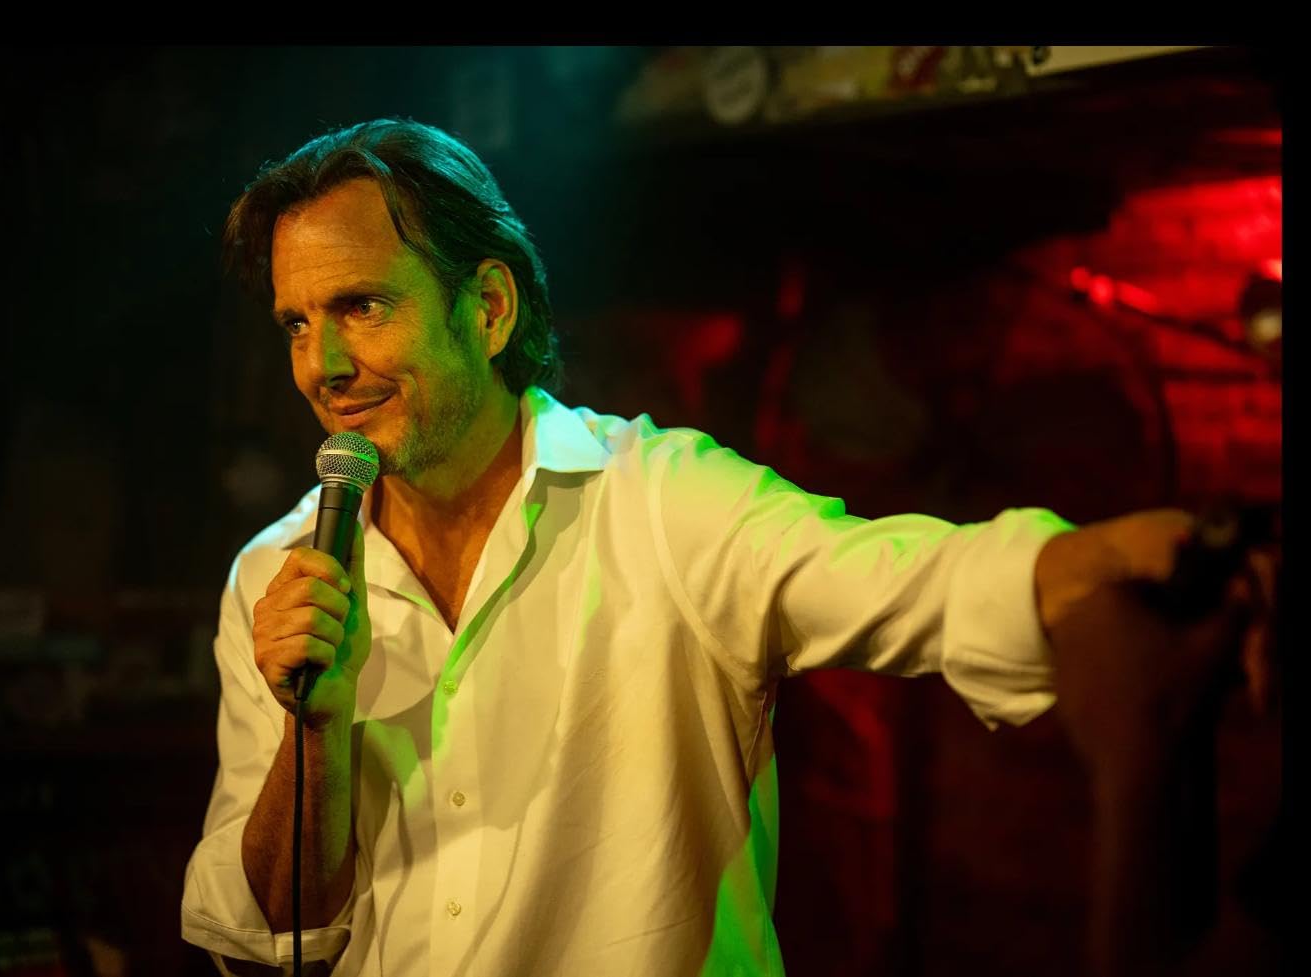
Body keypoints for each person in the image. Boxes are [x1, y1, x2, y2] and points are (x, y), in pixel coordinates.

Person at [180, 118, 1275, 977]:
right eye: (296, 323)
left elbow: (911, 579)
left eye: (362, 308)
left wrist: (1113, 557)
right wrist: (313, 726)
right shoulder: (273, 576)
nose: (321, 364)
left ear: (491, 306)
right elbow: (279, 929)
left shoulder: (660, 500)